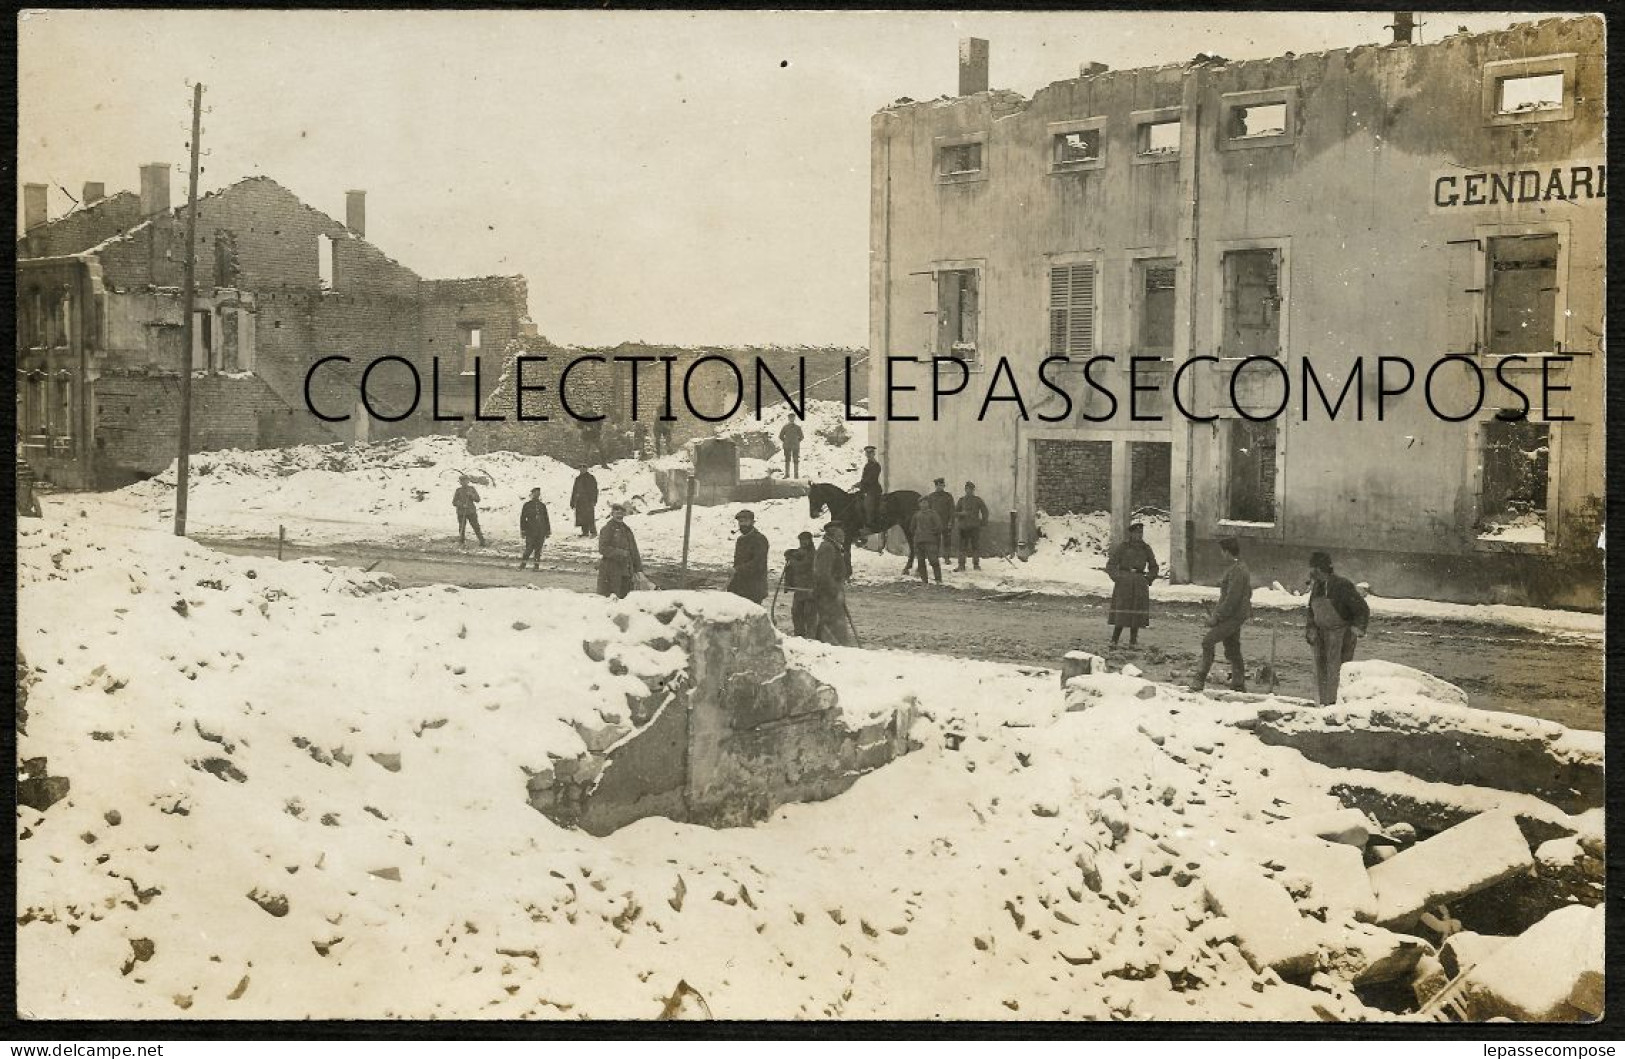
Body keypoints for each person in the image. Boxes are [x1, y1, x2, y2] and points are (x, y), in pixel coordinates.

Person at [1305, 551, 1371, 706]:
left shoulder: (1342, 585)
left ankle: (1336, 706)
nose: (1312, 574)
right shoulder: (1318, 588)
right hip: (1321, 636)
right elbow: (1311, 611)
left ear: (1320, 570)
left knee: (1337, 672)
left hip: (1340, 637)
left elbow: (1362, 609)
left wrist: (1357, 628)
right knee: (1321, 671)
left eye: (1314, 570)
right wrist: (1311, 629)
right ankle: (1322, 704)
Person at [1190, 537, 1252, 692]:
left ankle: (1199, 680)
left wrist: (1216, 618)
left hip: (1233, 617)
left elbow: (1232, 599)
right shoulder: (1239, 568)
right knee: (1232, 647)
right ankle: (1238, 684)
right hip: (1235, 615)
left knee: (1208, 641)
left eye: (1222, 551)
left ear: (1226, 551)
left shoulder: (1238, 570)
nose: (1221, 555)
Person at [1106, 522, 1159, 647]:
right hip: (1124, 582)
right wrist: (1117, 577)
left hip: (1140, 583)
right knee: (1121, 611)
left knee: (1136, 612)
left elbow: (1154, 567)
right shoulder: (1123, 547)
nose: (1139, 535)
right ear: (1131, 533)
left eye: (1141, 533)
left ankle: (1133, 641)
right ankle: (1114, 640)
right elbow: (1111, 565)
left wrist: (1148, 579)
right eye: (1136, 533)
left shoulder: (1146, 548)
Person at [813, 522, 851, 645]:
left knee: (829, 624)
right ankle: (835, 650)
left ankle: (829, 647)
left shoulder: (833, 547)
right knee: (832, 625)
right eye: (841, 533)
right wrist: (835, 591)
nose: (844, 535)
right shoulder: (827, 548)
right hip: (828, 595)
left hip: (830, 594)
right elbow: (822, 574)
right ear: (834, 534)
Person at [596, 503, 642, 599]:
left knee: (625, 598)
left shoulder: (627, 530)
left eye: (621, 513)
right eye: (617, 513)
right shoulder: (608, 529)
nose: (619, 515)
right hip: (610, 571)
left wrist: (638, 568)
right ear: (612, 513)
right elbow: (603, 548)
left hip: (625, 571)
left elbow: (633, 549)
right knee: (610, 599)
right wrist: (620, 553)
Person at [726, 509, 770, 604]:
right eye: (740, 522)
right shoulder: (740, 540)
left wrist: (737, 569)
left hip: (754, 588)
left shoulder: (760, 539)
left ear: (752, 522)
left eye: (745, 521)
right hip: (739, 588)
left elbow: (758, 563)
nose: (742, 525)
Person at [783, 531, 818, 638]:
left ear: (810, 540)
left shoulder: (813, 554)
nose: (803, 542)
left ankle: (811, 638)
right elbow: (792, 563)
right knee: (796, 613)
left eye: (805, 540)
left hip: (810, 590)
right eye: (801, 540)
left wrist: (792, 559)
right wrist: (789, 553)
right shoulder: (800, 552)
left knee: (809, 614)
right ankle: (799, 636)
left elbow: (802, 566)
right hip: (799, 589)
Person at [955, 481, 989, 571]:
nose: (969, 491)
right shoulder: (961, 500)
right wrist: (961, 514)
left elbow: (985, 511)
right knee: (962, 547)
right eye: (967, 489)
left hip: (974, 527)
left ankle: (976, 565)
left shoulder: (978, 500)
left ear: (973, 490)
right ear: (965, 490)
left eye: (971, 489)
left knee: (975, 546)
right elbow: (954, 513)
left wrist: (983, 522)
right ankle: (961, 565)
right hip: (963, 528)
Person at [911, 496, 944, 585]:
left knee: (933, 561)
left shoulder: (933, 514)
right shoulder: (916, 515)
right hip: (919, 542)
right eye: (921, 503)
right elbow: (912, 528)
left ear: (928, 504)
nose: (923, 504)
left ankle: (938, 579)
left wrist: (931, 533)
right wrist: (917, 535)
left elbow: (939, 527)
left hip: (930, 541)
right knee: (921, 562)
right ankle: (924, 580)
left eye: (925, 502)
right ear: (919, 504)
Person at [518, 487, 551, 570]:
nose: (537, 495)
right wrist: (523, 530)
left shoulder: (542, 506)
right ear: (532, 494)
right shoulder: (527, 505)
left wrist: (547, 530)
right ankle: (523, 564)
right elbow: (523, 519)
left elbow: (546, 518)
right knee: (529, 548)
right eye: (535, 493)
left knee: (538, 549)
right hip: (530, 531)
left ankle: (536, 566)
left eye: (538, 494)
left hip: (541, 531)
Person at [926, 477, 955, 571]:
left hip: (945, 522)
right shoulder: (931, 497)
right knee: (935, 541)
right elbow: (928, 510)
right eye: (939, 485)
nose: (941, 487)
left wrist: (951, 521)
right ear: (936, 486)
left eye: (942, 485)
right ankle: (934, 558)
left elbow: (952, 510)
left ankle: (946, 558)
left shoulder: (948, 496)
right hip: (935, 523)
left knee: (947, 540)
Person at [452, 475, 486, 547]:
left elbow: (478, 499)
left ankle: (482, 541)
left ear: (468, 481)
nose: (464, 482)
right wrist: (461, 505)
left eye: (465, 481)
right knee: (462, 527)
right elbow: (454, 502)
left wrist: (471, 495)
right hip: (461, 512)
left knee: (476, 526)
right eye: (462, 481)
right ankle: (461, 542)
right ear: (460, 482)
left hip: (471, 512)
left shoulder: (472, 489)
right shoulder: (458, 490)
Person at [855, 445, 883, 531]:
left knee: (868, 503)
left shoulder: (876, 465)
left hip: (873, 489)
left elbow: (871, 479)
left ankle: (870, 524)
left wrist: (861, 484)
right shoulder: (867, 465)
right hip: (866, 489)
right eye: (867, 452)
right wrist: (860, 484)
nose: (868, 454)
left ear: (874, 454)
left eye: (870, 452)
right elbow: (865, 478)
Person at [570, 466, 599, 538]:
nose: (582, 469)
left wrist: (594, 500)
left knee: (590, 517)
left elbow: (595, 490)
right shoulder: (578, 479)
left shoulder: (591, 478)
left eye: (584, 467)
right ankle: (585, 532)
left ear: (587, 469)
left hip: (588, 501)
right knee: (582, 517)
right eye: (580, 467)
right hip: (580, 501)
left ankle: (593, 532)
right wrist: (572, 501)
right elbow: (574, 490)